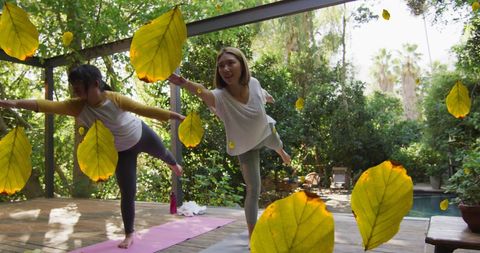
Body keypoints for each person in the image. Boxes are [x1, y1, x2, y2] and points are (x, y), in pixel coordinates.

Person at [0, 64, 184, 249]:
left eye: (79, 87)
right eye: (73, 87)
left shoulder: (115, 99)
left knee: (165, 154)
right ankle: (129, 234)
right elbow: (46, 105)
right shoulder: (77, 107)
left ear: (96, 83)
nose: (75, 91)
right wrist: (14, 103)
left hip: (141, 134)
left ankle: (173, 164)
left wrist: (175, 116)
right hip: (121, 152)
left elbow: (144, 109)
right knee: (128, 192)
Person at [168, 47, 290, 238]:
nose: (225, 69)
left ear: (241, 64)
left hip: (264, 132)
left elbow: (260, 91)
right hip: (244, 145)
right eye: (221, 66)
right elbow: (202, 92)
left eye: (230, 63)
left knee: (277, 143)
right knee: (253, 189)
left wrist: (267, 97)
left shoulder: (254, 83)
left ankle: (281, 152)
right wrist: (184, 83)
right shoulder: (219, 96)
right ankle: (253, 236)